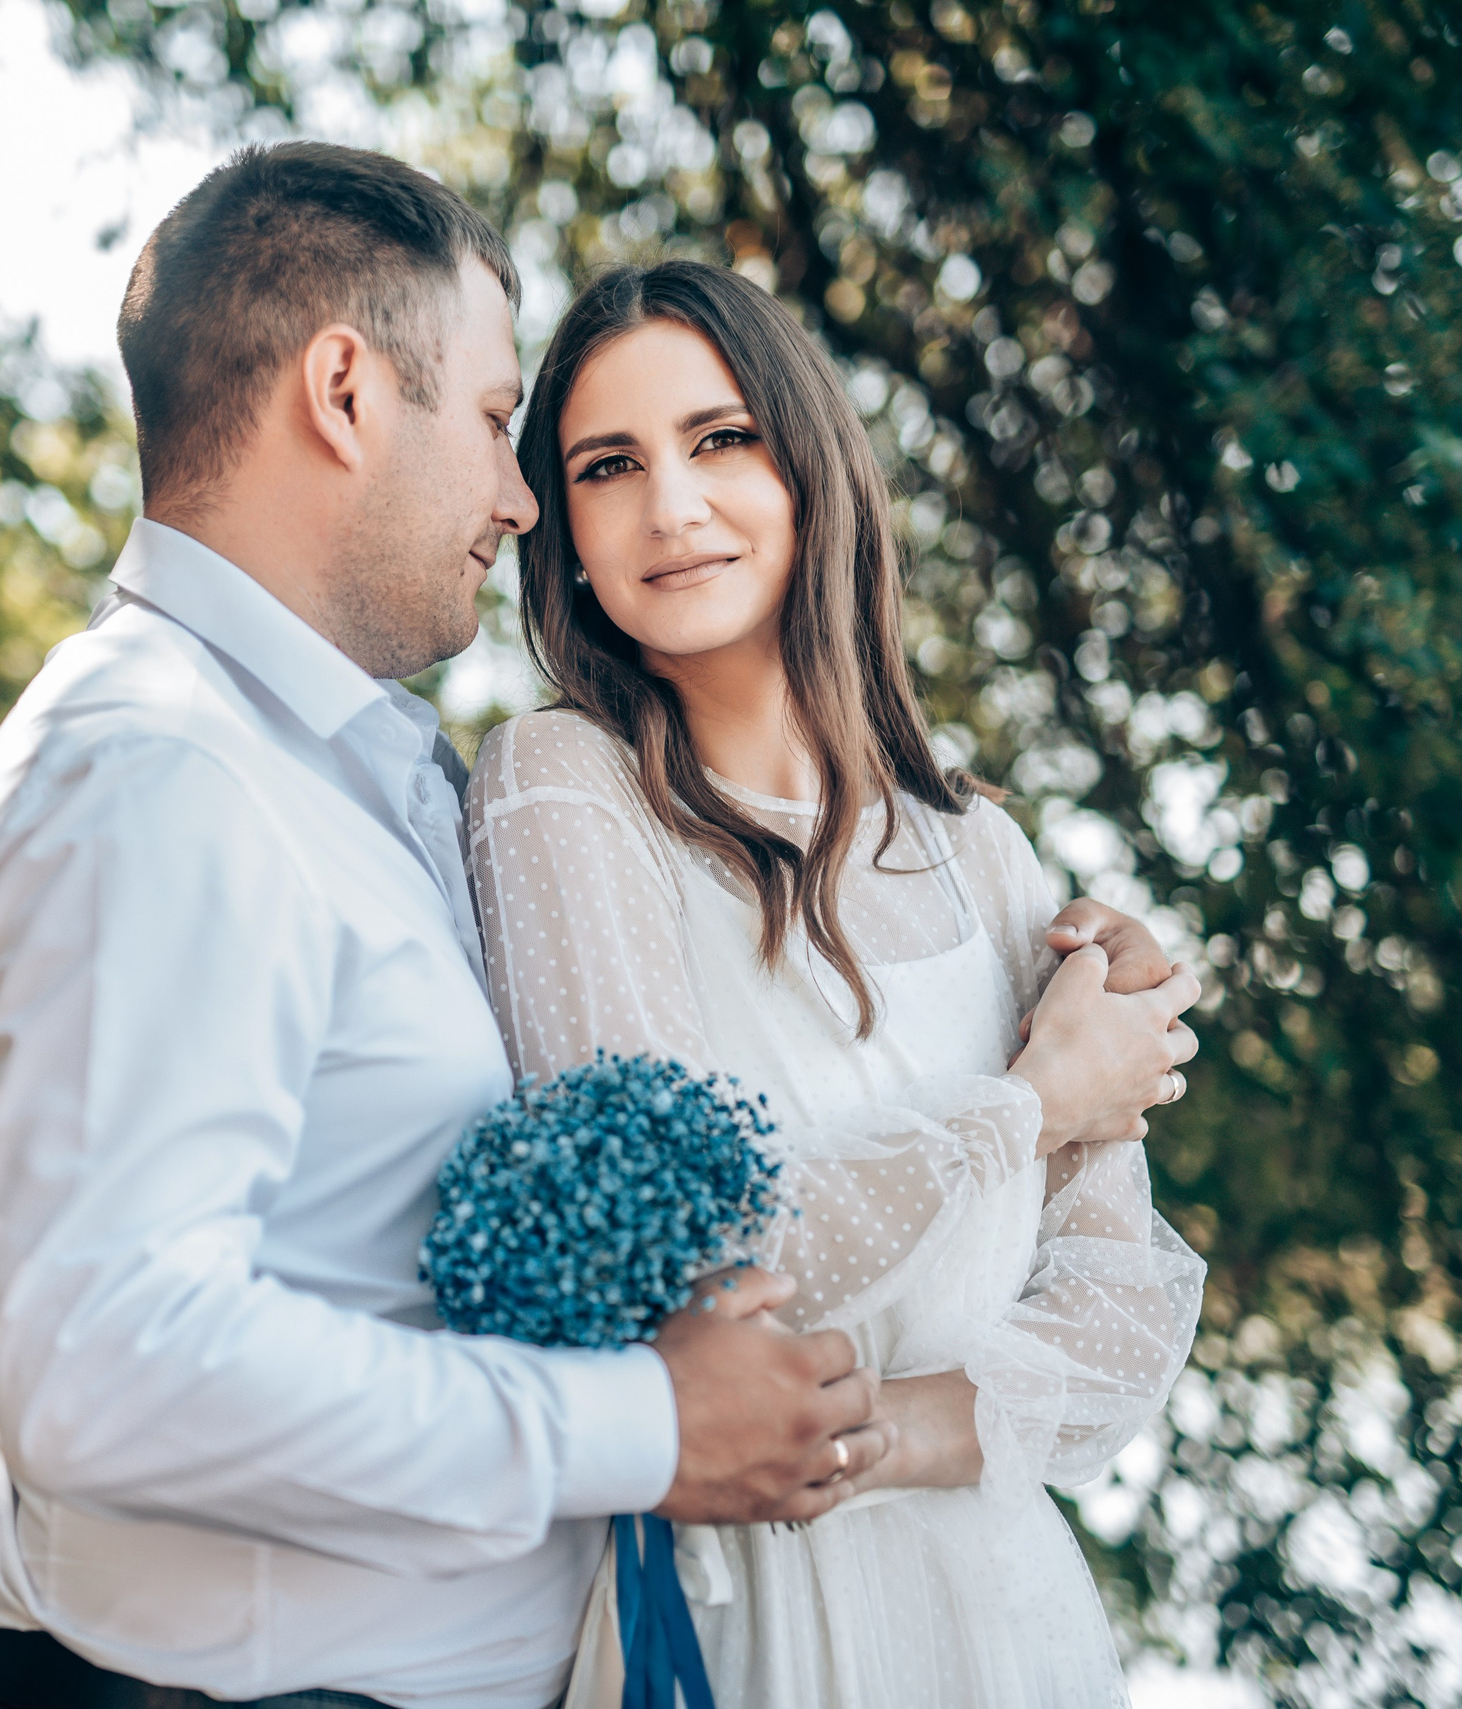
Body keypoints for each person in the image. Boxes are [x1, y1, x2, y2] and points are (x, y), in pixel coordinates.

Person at [0, 145, 902, 1709]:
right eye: (499, 419)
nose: (520, 501)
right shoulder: (158, 770)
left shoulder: (365, 767)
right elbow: (108, 1368)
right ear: (346, 391)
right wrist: (647, 1428)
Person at [470, 260, 1208, 1708]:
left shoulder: (987, 856)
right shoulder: (561, 786)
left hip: (1004, 1616)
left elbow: (1118, 1313)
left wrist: (882, 1435)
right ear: (565, 531)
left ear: (809, 466)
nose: (670, 505)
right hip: (744, 1623)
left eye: (719, 438)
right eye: (607, 466)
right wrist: (1031, 1104)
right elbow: (671, 1247)